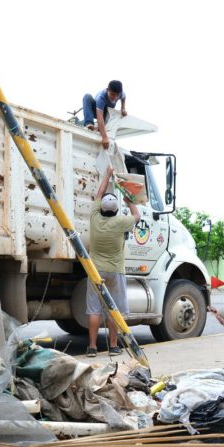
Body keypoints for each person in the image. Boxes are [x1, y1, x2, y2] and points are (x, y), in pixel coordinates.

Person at [86, 165, 140, 357]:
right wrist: (129, 199)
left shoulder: (94, 219)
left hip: (96, 271)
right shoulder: (120, 222)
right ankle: (114, 346)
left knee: (94, 310)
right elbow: (137, 216)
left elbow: (99, 194)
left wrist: (107, 174)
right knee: (113, 309)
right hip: (116, 271)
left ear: (100, 208)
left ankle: (92, 347)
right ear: (117, 209)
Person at [82, 80, 127, 150]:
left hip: (106, 113)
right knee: (87, 96)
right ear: (107, 90)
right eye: (112, 94)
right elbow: (99, 117)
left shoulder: (121, 94)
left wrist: (123, 108)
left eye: (117, 95)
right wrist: (104, 137)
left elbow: (124, 98)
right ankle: (89, 124)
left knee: (109, 111)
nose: (114, 97)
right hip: (96, 111)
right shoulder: (101, 98)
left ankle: (100, 128)